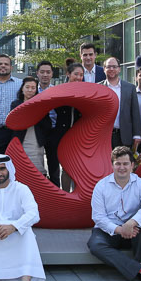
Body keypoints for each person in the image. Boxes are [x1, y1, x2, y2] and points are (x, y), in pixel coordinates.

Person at [88, 146, 141, 281]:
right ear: (112, 165)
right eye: (118, 163)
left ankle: (139, 262)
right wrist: (119, 229)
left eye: (125, 164)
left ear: (132, 165)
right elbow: (98, 217)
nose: (121, 167)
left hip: (132, 230)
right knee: (95, 245)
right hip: (109, 231)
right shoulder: (101, 186)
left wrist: (131, 222)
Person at [11, 77, 52, 175]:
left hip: (35, 139)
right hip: (20, 139)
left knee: (37, 169)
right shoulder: (15, 104)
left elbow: (47, 124)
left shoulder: (41, 104)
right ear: (22, 88)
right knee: (20, 169)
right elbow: (13, 122)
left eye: (33, 88)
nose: (30, 90)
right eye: (27, 87)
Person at [100, 57, 141, 151]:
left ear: (119, 69)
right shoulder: (98, 87)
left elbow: (135, 112)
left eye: (114, 67)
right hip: (103, 136)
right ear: (104, 69)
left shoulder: (130, 88)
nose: (111, 69)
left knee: (123, 164)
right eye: (108, 67)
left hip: (124, 135)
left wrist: (137, 134)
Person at [57, 63, 84, 192]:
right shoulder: (60, 90)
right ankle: (66, 196)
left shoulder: (85, 91)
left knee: (79, 168)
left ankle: (78, 196)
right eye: (76, 74)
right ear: (68, 74)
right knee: (66, 168)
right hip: (63, 135)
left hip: (80, 136)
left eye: (81, 75)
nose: (78, 77)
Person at [36, 61, 60, 185]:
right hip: (37, 131)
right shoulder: (32, 90)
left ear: (52, 74)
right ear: (37, 73)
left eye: (48, 72)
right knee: (38, 166)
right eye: (42, 72)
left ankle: (57, 195)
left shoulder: (58, 91)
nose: (45, 75)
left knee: (54, 166)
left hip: (54, 131)